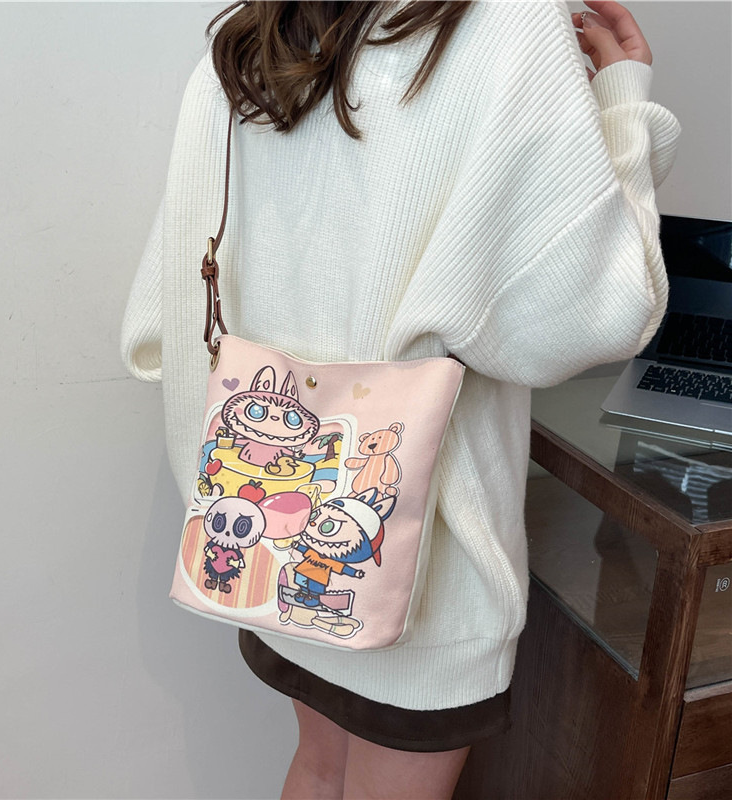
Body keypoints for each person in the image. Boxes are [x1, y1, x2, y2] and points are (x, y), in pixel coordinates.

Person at [121, 1, 680, 797]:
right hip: (421, 574)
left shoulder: (263, 29)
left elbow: (162, 315)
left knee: (319, 769)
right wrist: (624, 107)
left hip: (273, 545)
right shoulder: (509, 20)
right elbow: (587, 315)